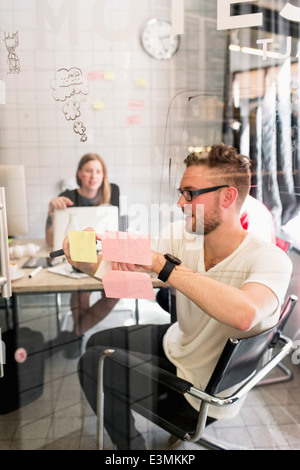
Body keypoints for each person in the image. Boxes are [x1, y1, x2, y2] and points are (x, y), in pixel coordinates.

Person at [62, 143, 292, 449]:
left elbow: (244, 313)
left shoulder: (271, 260)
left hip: (201, 395)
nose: (181, 203)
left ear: (228, 196)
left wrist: (162, 264)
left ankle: (133, 449)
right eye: (180, 193)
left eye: (190, 193)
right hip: (180, 345)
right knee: (95, 342)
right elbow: (126, 272)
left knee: (92, 363)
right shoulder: (182, 235)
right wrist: (83, 260)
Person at [46, 152, 119, 358]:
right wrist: (52, 212)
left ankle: (74, 334)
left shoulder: (112, 192)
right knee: (82, 291)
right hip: (78, 257)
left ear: (103, 174)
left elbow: (117, 229)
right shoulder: (68, 196)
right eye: (88, 170)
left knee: (114, 293)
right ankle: (77, 337)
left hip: (105, 255)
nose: (93, 176)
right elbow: (50, 238)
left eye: (98, 171)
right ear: (79, 173)